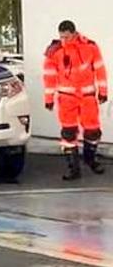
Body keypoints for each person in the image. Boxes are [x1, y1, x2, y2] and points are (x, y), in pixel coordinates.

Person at [43, 19, 107, 181]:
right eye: (61, 37)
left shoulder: (90, 47)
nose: (64, 40)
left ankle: (90, 158)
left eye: (67, 37)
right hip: (67, 99)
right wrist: (48, 98)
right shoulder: (54, 51)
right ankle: (73, 167)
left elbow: (100, 70)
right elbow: (49, 77)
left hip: (87, 98)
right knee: (68, 133)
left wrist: (103, 91)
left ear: (74, 33)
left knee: (93, 131)